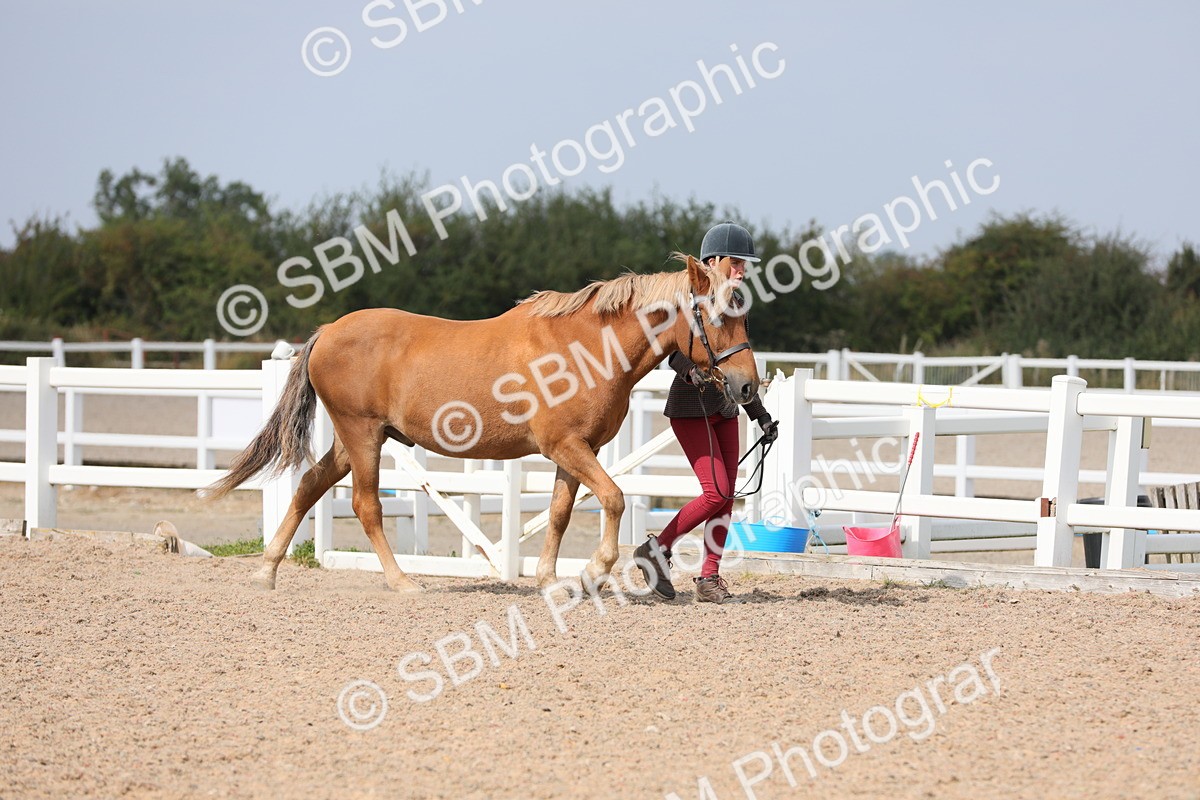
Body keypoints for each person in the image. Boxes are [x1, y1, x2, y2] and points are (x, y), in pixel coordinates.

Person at [634, 222, 779, 604]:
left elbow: (737, 365)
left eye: (745, 264)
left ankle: (709, 577)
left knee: (726, 497)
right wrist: (690, 371)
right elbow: (671, 351)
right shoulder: (687, 298)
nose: (742, 269)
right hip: (690, 406)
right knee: (715, 493)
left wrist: (760, 414)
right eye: (736, 262)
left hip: (725, 408)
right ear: (713, 261)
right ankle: (657, 549)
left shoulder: (737, 303)